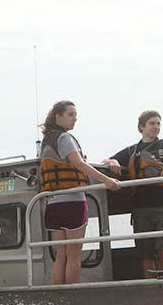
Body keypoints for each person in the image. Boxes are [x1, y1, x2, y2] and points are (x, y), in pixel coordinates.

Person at [39, 100, 120, 284]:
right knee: (74, 255)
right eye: (70, 115)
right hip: (72, 202)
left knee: (61, 256)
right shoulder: (65, 138)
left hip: (53, 205)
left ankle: (61, 298)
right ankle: (72, 298)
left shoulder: (46, 141)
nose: (75, 119)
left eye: (76, 116)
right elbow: (79, 164)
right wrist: (107, 180)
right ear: (58, 116)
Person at [102, 110, 163, 278]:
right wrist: (113, 161)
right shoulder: (132, 150)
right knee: (144, 253)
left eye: (158, 123)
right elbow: (106, 160)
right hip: (141, 209)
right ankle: (149, 285)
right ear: (141, 127)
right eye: (152, 123)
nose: (156, 127)